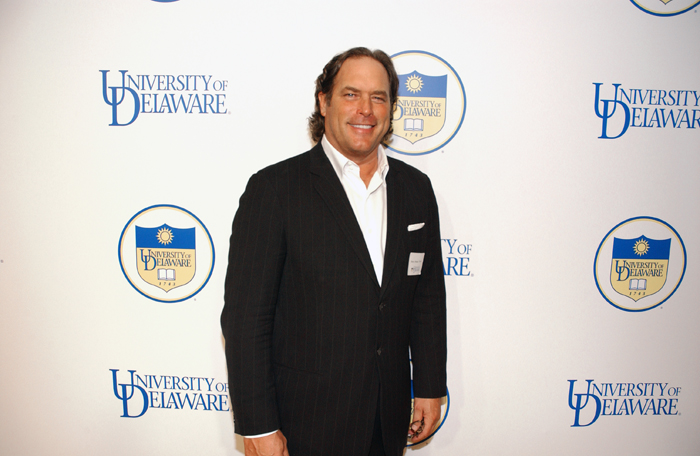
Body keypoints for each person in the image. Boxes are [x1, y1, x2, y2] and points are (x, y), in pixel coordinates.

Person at [221, 47, 447, 456]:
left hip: (388, 420)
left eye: (378, 97)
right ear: (324, 102)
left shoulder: (416, 189)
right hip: (304, 423)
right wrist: (258, 426)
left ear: (391, 108)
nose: (365, 110)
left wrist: (430, 386)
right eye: (351, 94)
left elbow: (427, 299)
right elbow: (246, 320)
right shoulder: (274, 190)